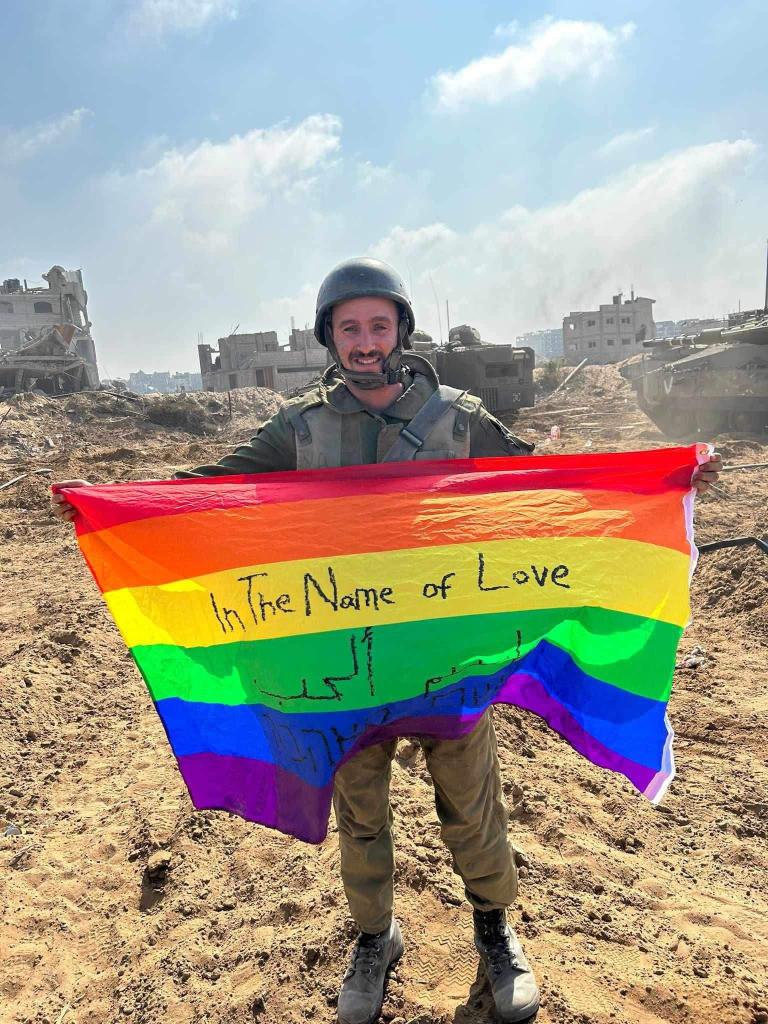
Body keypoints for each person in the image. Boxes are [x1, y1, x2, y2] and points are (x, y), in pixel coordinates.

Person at [52, 257, 722, 1024]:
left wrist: (656, 484)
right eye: (350, 328)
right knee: (361, 812)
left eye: (378, 325)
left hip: (452, 661)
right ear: (329, 339)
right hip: (343, 664)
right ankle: (375, 936)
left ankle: (495, 931)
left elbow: (548, 486)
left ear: (400, 330)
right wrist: (112, 506)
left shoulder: (460, 417)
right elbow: (213, 489)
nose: (365, 342)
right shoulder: (298, 427)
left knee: (471, 807)